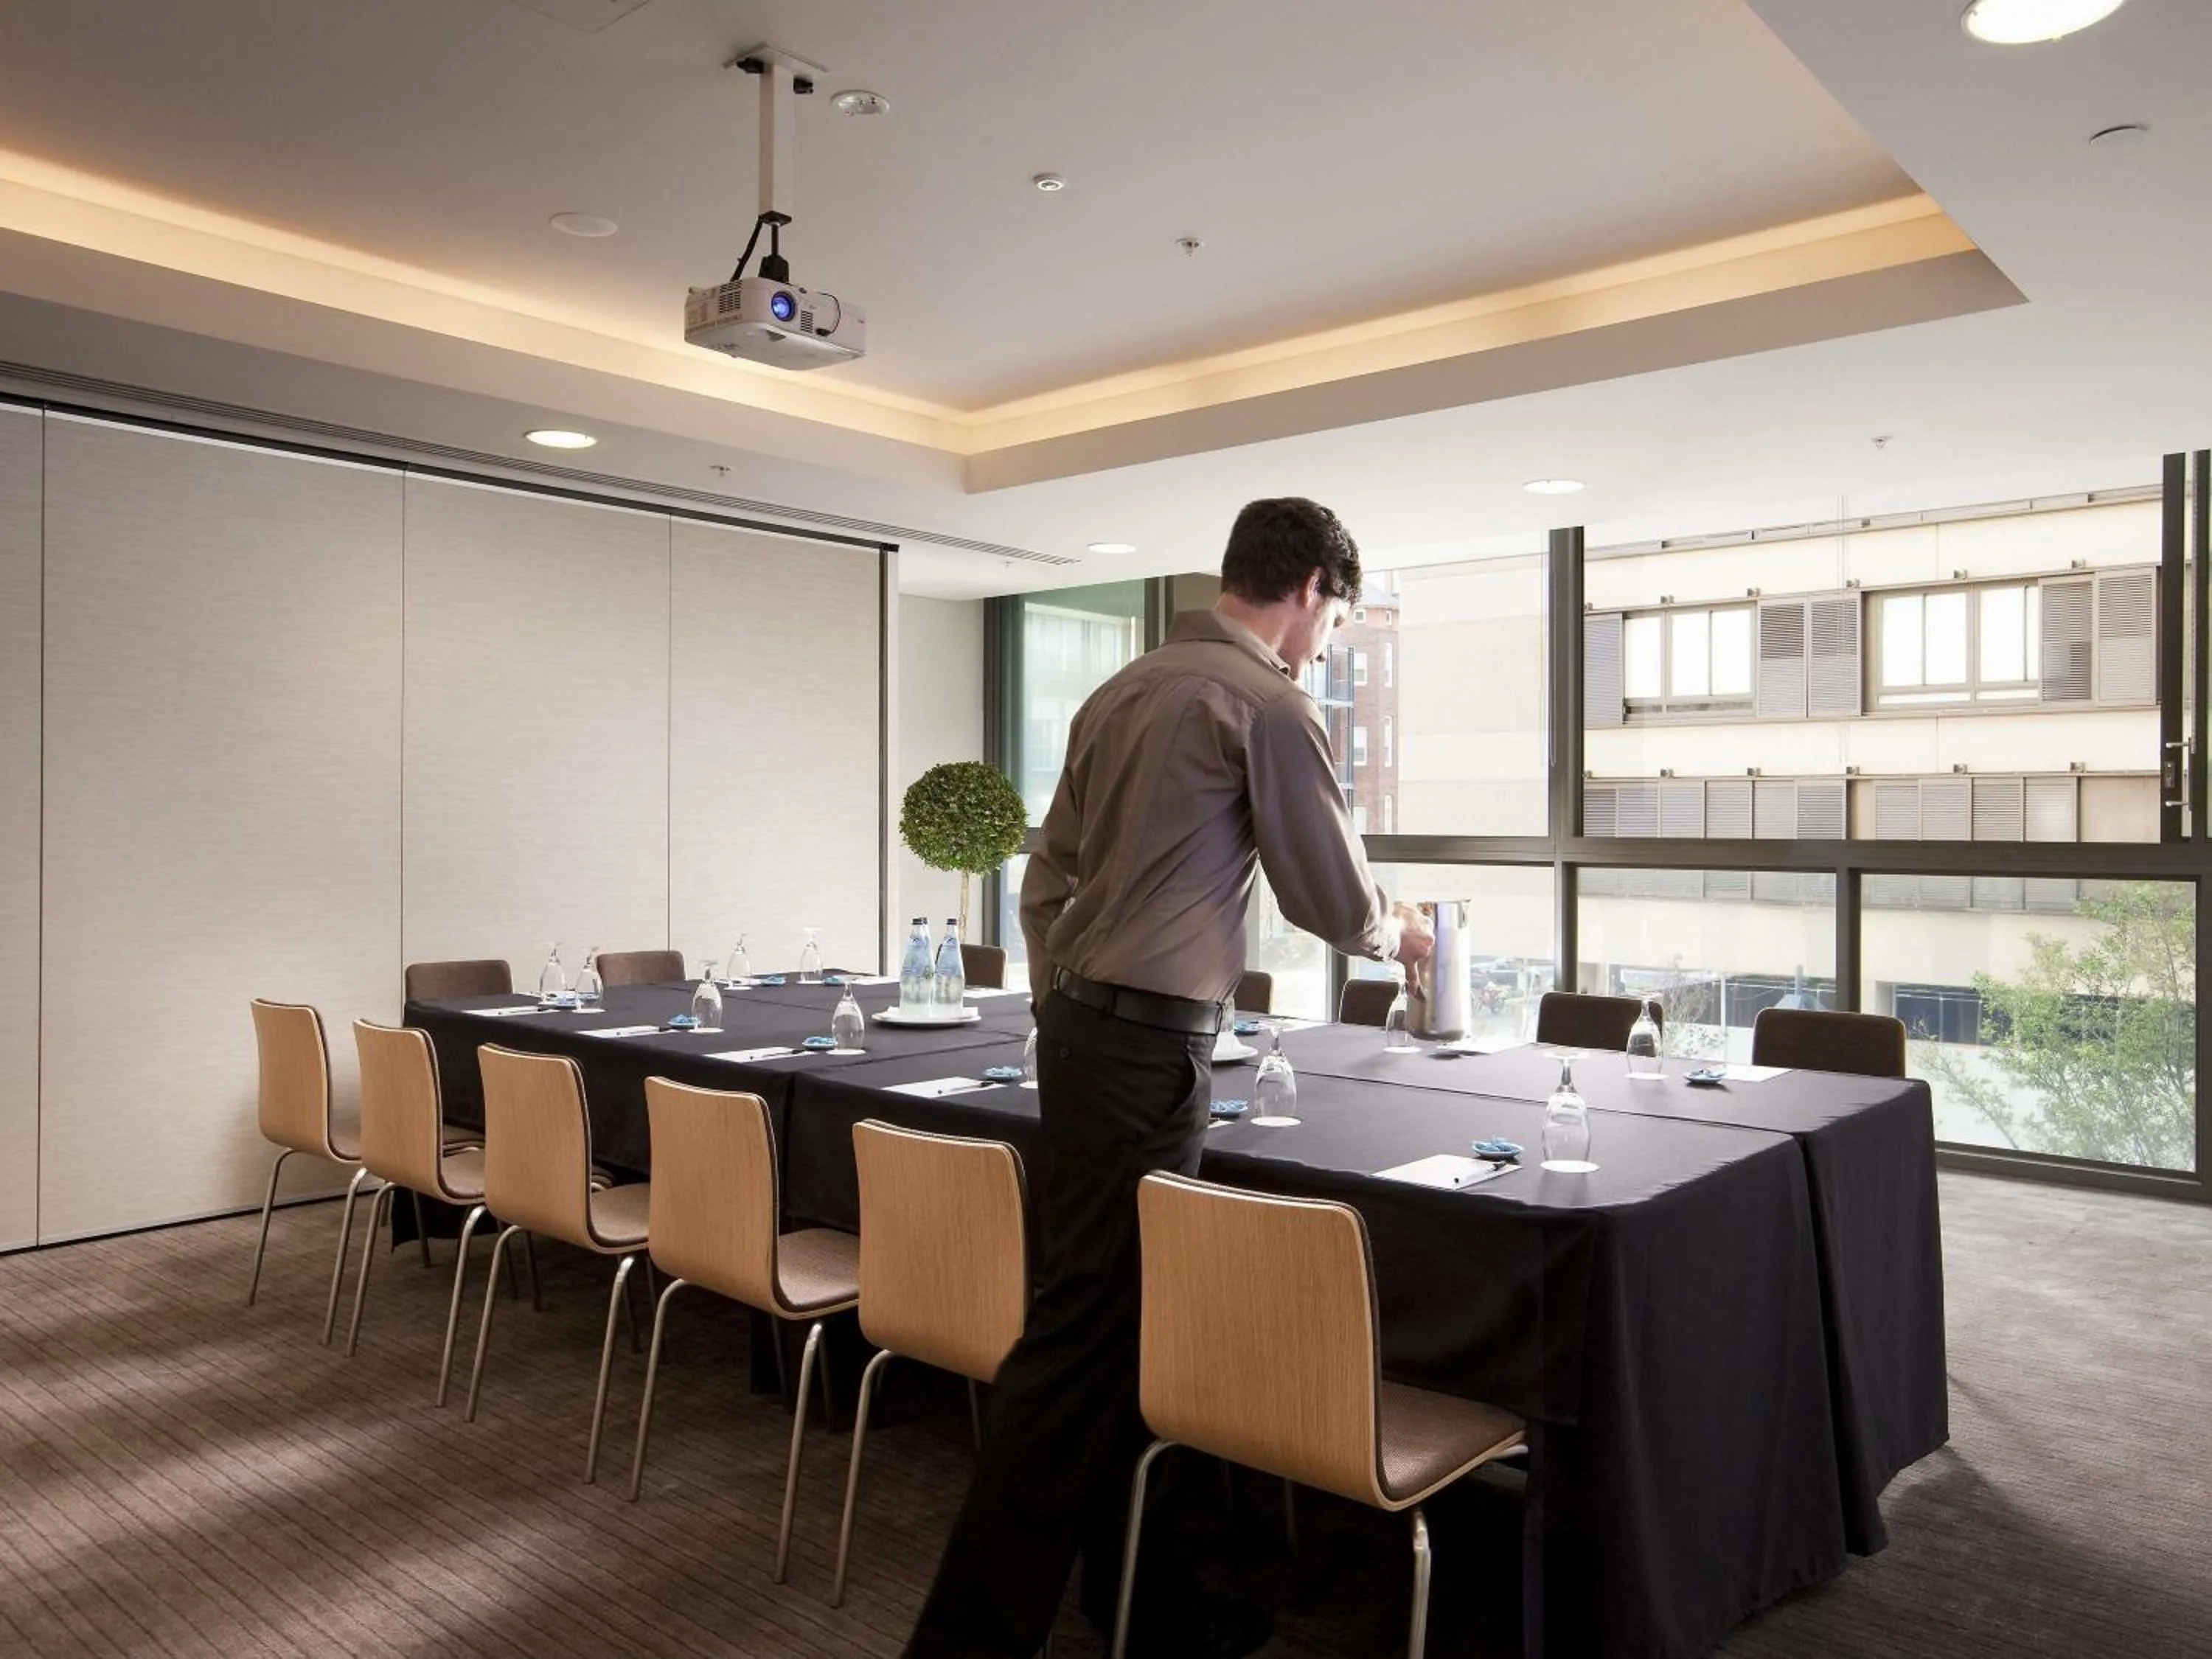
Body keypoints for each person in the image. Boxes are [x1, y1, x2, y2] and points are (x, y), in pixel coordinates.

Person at [904, 497, 1433, 1659]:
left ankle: (1144, 1596)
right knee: (1084, 1334)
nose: (1329, 640)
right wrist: (1403, 934)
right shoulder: (1269, 704)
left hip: (1088, 1033)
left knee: (1121, 1320)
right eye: (1334, 616)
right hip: (1148, 1046)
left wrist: (1062, 1000)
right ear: (1305, 591)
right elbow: (1331, 901)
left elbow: (1049, 877)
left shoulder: (1125, 688)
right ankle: (967, 1639)